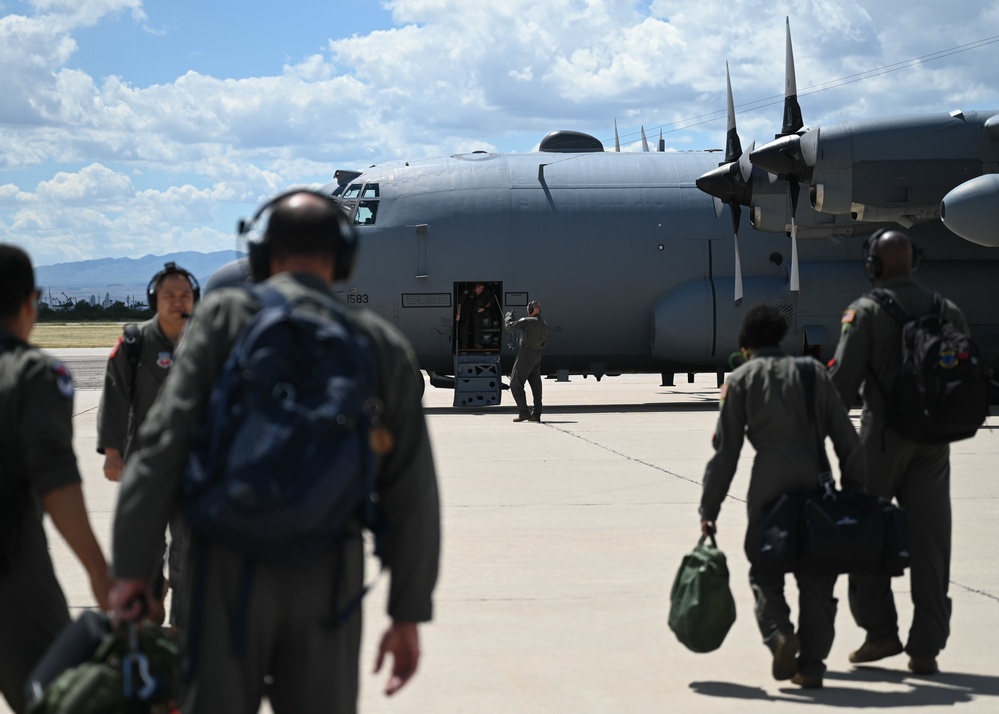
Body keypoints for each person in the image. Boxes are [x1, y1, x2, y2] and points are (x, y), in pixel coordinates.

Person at [108, 190, 441, 714]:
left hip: (223, 567)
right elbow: (413, 492)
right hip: (328, 573)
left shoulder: (221, 320)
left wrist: (131, 573)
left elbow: (160, 448)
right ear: (346, 258)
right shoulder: (378, 343)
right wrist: (407, 613)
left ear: (262, 256)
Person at [699, 304, 866, 689]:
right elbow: (847, 440)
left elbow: (726, 454)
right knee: (818, 576)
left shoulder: (741, 379)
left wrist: (710, 508)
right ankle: (811, 666)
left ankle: (778, 633)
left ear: (746, 345)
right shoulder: (814, 374)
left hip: (768, 483)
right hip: (816, 480)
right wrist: (856, 493)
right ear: (779, 338)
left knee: (765, 568)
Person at [829, 228, 967, 675]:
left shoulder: (864, 313)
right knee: (931, 547)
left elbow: (843, 388)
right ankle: (926, 647)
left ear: (873, 267)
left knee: (865, 537)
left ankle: (880, 633)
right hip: (934, 444)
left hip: (882, 442)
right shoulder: (947, 310)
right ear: (915, 262)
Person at [0, 244, 110, 714]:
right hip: (11, 564)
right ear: (31, 302)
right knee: (54, 698)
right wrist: (99, 573)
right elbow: (56, 482)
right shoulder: (33, 373)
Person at [97, 262, 198, 624]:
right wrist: (111, 451)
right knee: (148, 554)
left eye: (184, 295)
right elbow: (115, 397)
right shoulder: (133, 343)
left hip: (192, 467)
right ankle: (151, 626)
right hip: (144, 467)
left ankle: (183, 629)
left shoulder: (205, 345)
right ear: (154, 299)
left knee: (187, 554)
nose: (177, 302)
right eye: (169, 295)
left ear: (195, 298)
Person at [504, 300, 549, 422]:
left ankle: (524, 412)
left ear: (531, 310)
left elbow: (509, 327)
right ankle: (536, 414)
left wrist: (508, 317)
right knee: (536, 385)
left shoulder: (526, 321)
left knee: (515, 383)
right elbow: (544, 343)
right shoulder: (545, 325)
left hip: (526, 354)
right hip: (537, 355)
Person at [456, 283, 491, 349]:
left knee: (477, 325)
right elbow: (460, 302)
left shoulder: (485, 292)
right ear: (475, 287)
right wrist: (458, 313)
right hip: (466, 308)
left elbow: (490, 301)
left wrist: (484, 308)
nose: (480, 290)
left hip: (477, 308)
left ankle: (477, 344)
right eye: (479, 288)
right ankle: (464, 344)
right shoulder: (468, 290)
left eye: (482, 289)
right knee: (464, 325)